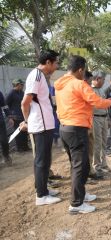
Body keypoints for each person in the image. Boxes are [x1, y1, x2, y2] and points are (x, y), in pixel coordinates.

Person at [55, 55, 111, 214]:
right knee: (80, 167)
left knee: (78, 165)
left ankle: (81, 194)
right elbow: (96, 101)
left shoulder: (61, 84)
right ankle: (76, 204)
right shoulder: (78, 84)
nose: (85, 75)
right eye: (84, 71)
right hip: (77, 129)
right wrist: (110, 101)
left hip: (65, 128)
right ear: (80, 69)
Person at [20, 49, 61, 206]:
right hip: (40, 125)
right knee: (41, 161)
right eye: (56, 62)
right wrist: (27, 121)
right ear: (48, 62)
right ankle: (41, 196)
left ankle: (43, 188)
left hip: (46, 125)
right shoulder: (36, 76)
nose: (57, 66)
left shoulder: (42, 77)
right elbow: (25, 103)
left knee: (46, 160)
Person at [91, 71, 111, 174]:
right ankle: (97, 166)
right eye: (103, 79)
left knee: (104, 142)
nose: (104, 81)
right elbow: (97, 105)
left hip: (104, 118)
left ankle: (104, 164)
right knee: (97, 143)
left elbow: (104, 105)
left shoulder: (102, 90)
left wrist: (108, 118)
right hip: (96, 118)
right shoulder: (90, 90)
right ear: (98, 79)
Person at [6, 79, 29, 152]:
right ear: (17, 85)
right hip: (15, 117)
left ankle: (25, 147)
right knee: (18, 132)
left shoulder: (21, 92)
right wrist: (10, 117)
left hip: (22, 115)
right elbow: (6, 105)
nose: (23, 86)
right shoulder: (11, 93)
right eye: (21, 84)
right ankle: (19, 148)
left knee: (25, 131)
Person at [0, 90, 13, 165]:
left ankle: (6, 156)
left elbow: (4, 106)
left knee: (4, 140)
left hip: (0, 121)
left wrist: (9, 117)